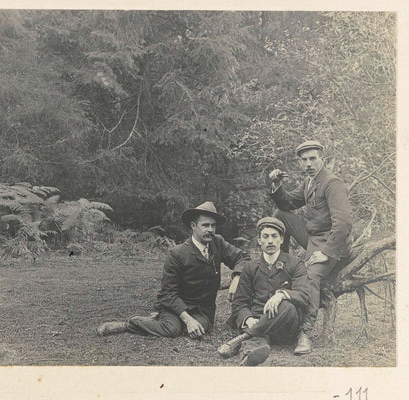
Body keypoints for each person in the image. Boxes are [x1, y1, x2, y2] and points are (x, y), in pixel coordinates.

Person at [97, 201, 250, 339]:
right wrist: (187, 318)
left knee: (200, 329)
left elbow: (243, 258)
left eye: (213, 225)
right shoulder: (178, 253)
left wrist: (236, 277)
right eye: (205, 225)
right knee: (172, 329)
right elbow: (167, 293)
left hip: (203, 310)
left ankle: (162, 321)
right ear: (193, 226)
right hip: (176, 306)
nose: (210, 230)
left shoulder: (218, 243)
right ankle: (130, 324)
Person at [268, 140, 352, 354]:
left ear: (322, 158)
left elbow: (343, 224)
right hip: (314, 239)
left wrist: (325, 253)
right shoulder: (309, 182)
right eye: (304, 159)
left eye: (312, 158)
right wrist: (277, 185)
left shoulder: (332, 183)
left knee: (310, 276)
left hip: (333, 244)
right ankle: (282, 262)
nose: (308, 163)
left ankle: (305, 333)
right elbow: (287, 203)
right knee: (279, 216)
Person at [219, 217, 310, 366]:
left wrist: (280, 295)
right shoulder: (250, 267)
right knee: (258, 341)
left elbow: (304, 295)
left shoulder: (295, 263)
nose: (270, 241)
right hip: (258, 321)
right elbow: (240, 302)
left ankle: (242, 339)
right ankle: (249, 355)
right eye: (265, 237)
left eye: (274, 236)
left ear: (281, 239)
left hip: (285, 326)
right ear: (259, 240)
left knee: (287, 306)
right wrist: (248, 319)